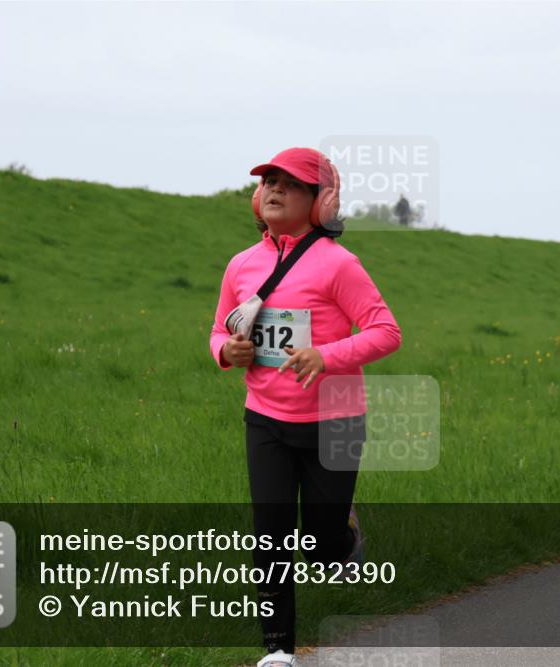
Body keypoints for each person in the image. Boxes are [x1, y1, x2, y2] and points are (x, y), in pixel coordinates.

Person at [209, 147, 403, 667]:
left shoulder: (339, 264)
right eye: (268, 181)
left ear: (320, 201)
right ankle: (278, 652)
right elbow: (219, 329)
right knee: (270, 534)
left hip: (335, 419)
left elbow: (387, 332)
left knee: (320, 550)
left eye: (290, 184)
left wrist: (327, 356)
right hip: (266, 420)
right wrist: (227, 352)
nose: (274, 190)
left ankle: (344, 533)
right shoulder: (241, 265)